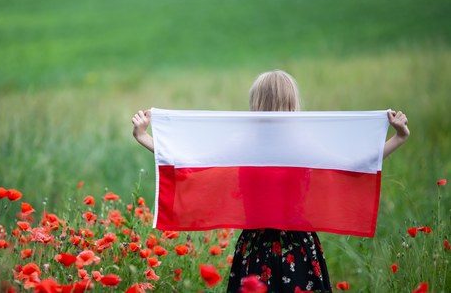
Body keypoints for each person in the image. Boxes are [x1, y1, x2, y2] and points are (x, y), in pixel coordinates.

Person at [131, 70, 410, 292]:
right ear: (292, 103)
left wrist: (144, 137)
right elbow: (355, 165)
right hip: (299, 249)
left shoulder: (242, 145)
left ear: (256, 103)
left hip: (255, 249)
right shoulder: (305, 146)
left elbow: (191, 161)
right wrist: (398, 138)